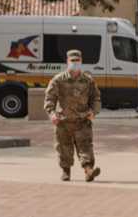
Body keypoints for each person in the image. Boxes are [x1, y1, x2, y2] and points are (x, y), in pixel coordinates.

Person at [43, 51, 102, 183]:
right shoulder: (58, 80)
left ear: (81, 62)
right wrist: (52, 114)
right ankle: (66, 171)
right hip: (63, 121)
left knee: (86, 147)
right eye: (72, 61)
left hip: (82, 120)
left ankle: (89, 171)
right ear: (67, 62)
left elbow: (96, 98)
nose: (75, 63)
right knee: (64, 147)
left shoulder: (88, 80)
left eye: (77, 61)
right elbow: (49, 98)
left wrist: (94, 111)